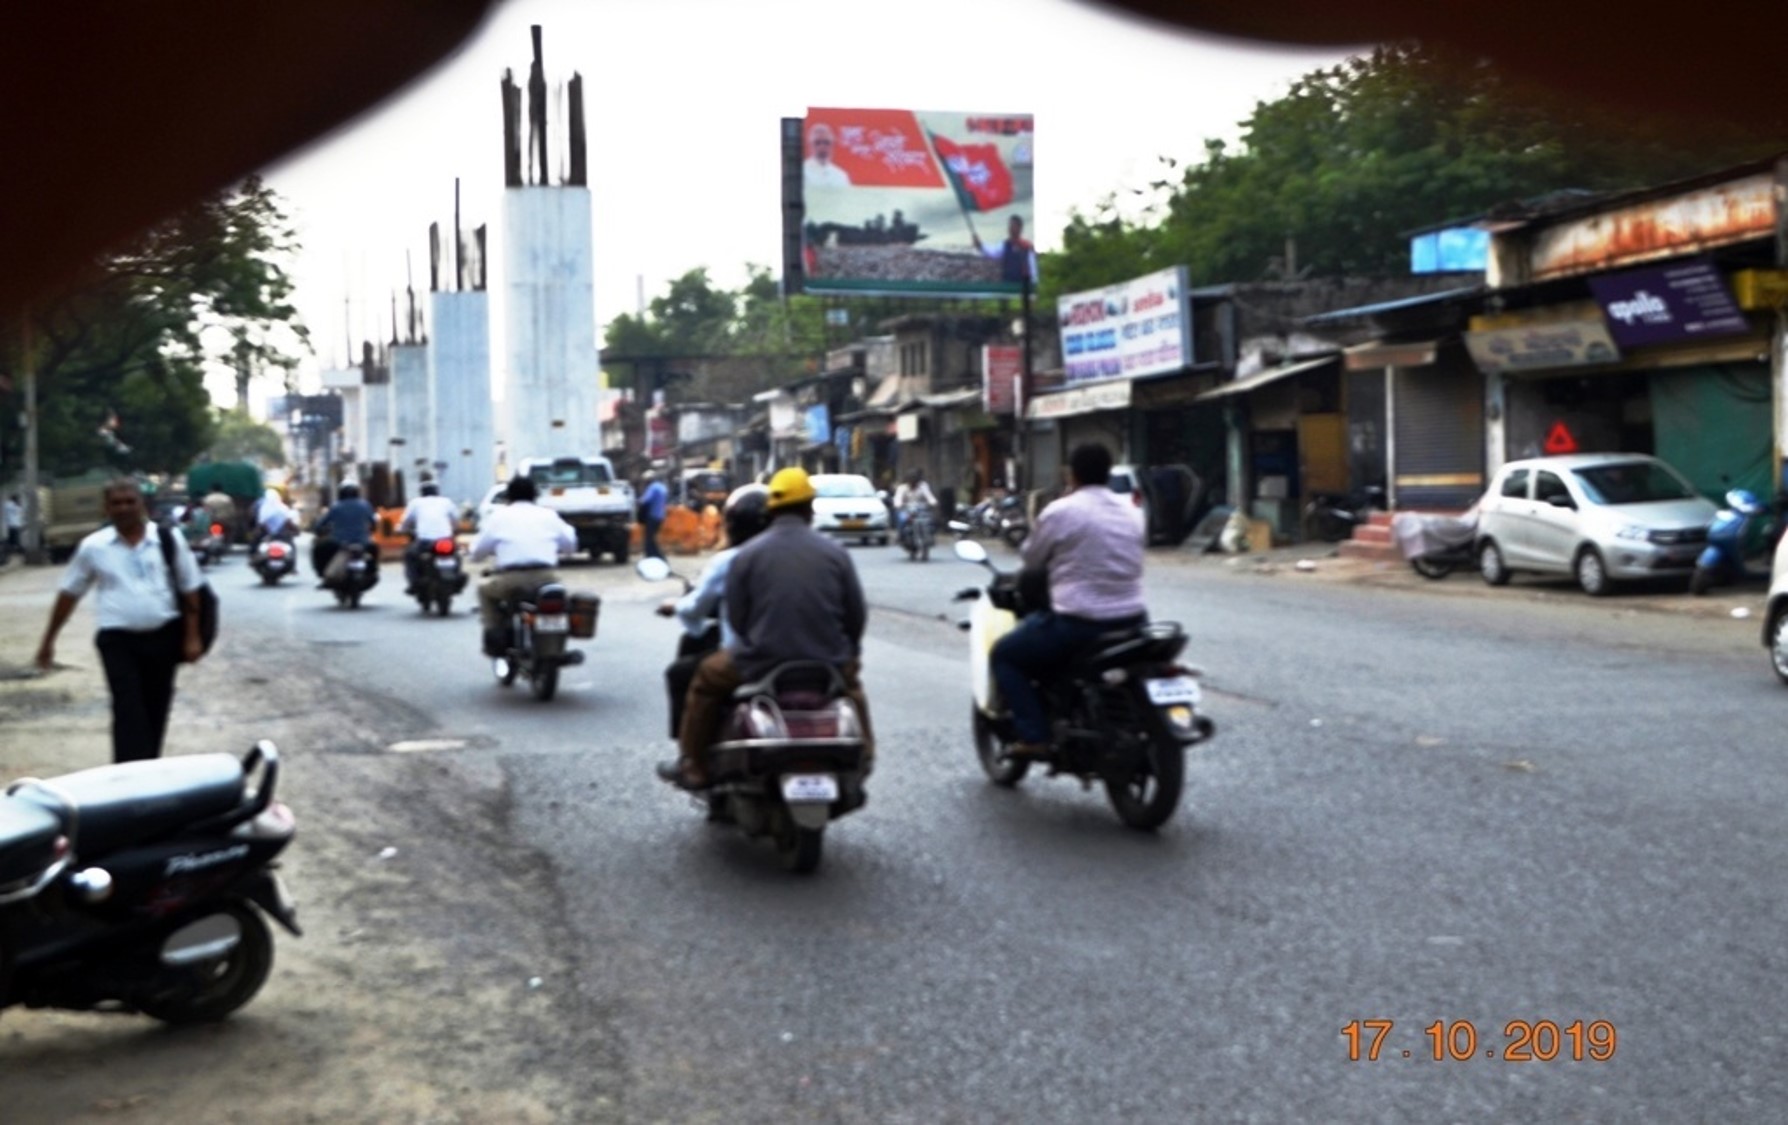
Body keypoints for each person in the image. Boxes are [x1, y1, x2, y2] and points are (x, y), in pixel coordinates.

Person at [658, 467, 873, 790]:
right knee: (852, 689)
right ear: (810, 508)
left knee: (703, 681)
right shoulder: (836, 553)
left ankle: (694, 765)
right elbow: (855, 613)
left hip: (759, 663)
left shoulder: (745, 556)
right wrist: (849, 652)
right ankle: (865, 757)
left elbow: (740, 621)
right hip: (827, 662)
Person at [990, 443, 1146, 758]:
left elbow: (1032, 559)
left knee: (1004, 656)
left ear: (1071, 475)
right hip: (1134, 621)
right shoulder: (1132, 511)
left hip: (1079, 625)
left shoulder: (1062, 511)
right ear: (1107, 473)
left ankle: (1035, 736)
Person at [34, 478, 206, 762]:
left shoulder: (167, 539)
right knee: (128, 710)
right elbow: (70, 593)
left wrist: (192, 636)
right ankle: (127, 777)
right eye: (116, 503)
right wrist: (48, 641)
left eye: (130, 502)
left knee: (156, 707)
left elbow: (190, 588)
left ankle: (148, 768)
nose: (124, 508)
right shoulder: (94, 547)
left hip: (163, 637)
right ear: (106, 509)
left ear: (142, 505)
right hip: (118, 641)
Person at [654, 484, 772, 738]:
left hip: (750, 657)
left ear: (732, 525)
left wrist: (675, 605)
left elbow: (697, 606)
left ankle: (690, 756)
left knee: (682, 674)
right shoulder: (795, 555)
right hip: (811, 654)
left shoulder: (728, 560)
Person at [469, 475, 576, 657]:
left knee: (483, 590)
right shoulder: (549, 515)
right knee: (561, 605)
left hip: (511, 580)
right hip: (548, 578)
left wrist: (478, 556)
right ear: (535, 495)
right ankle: (558, 648)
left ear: (508, 496)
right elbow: (570, 546)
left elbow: (478, 551)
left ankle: (495, 634)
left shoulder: (499, 517)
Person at [399, 479, 460, 591]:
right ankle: (458, 575)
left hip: (425, 541)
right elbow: (456, 519)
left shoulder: (416, 503)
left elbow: (406, 522)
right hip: (445, 540)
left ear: (422, 492)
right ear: (437, 492)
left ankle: (414, 582)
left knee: (410, 556)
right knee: (456, 555)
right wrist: (455, 530)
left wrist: (401, 529)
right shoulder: (446, 502)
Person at [312, 481, 377, 586]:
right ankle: (373, 571)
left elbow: (321, 524)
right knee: (374, 549)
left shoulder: (336, 506)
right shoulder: (365, 505)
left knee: (318, 549)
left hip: (339, 542)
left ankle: (322, 574)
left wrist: (318, 529)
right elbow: (373, 523)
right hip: (363, 541)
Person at [972, 214, 1039, 285]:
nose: (1010, 228)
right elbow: (992, 252)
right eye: (1009, 225)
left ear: (1019, 228)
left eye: (1013, 225)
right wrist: (980, 245)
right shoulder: (1005, 245)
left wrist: (1034, 284)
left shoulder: (1027, 246)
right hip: (1008, 283)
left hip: (1022, 285)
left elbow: (1032, 268)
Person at [891, 468, 939, 537]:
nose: (913, 483)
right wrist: (898, 504)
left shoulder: (923, 486)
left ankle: (930, 534)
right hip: (907, 511)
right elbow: (898, 498)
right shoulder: (902, 488)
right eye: (911, 480)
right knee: (901, 519)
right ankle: (901, 535)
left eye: (915, 481)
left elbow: (929, 496)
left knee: (931, 519)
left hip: (920, 510)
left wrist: (933, 502)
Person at [802, 122, 852, 188]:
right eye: (817, 143)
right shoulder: (801, 171)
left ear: (832, 145)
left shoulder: (840, 175)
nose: (822, 147)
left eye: (826, 143)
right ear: (810, 146)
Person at [637, 470, 668, 561]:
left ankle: (655, 557)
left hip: (652, 516)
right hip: (660, 516)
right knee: (652, 537)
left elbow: (645, 501)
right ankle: (656, 556)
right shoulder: (662, 487)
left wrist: (637, 501)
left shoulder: (653, 488)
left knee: (649, 539)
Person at [3, 492, 22, 557]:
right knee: (15, 540)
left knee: (11, 539)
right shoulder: (17, 505)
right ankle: (15, 551)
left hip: (10, 524)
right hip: (15, 525)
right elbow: (19, 512)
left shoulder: (7, 504)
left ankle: (10, 551)